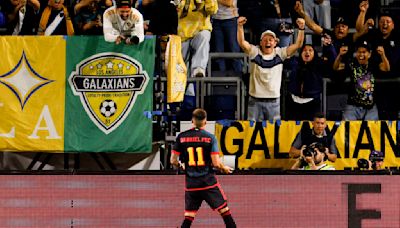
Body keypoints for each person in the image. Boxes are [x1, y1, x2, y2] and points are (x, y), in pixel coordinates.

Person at [170, 108, 236, 228]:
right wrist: (224, 168)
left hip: (191, 184)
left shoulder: (181, 137)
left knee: (189, 216)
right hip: (208, 183)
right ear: (205, 122)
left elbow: (173, 161)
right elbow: (216, 163)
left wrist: (182, 166)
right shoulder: (210, 138)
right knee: (224, 211)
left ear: (192, 120)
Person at [237, 16, 305, 121]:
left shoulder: (280, 53)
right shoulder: (254, 52)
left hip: (274, 100)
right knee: (253, 130)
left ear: (275, 43)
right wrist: (240, 26)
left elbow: (298, 45)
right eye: (265, 40)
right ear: (260, 42)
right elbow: (242, 43)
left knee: (274, 132)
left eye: (270, 40)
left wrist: (301, 29)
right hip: (254, 100)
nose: (268, 42)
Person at [333, 40, 390, 120]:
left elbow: (386, 68)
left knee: (372, 130)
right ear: (356, 54)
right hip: (352, 105)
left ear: (369, 54)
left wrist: (383, 55)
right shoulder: (351, 64)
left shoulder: (373, 64)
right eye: (359, 52)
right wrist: (340, 55)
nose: (361, 54)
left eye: (364, 52)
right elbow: (336, 67)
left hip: (370, 106)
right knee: (346, 129)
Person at [177, 0, 218, 77]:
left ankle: (198, 68)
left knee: (204, 36)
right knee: (181, 71)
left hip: (200, 28)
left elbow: (213, 9)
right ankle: (189, 88)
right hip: (181, 33)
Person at [286, 44, 328, 121]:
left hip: (312, 102)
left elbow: (331, 61)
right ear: (301, 53)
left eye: (310, 50)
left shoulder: (319, 64)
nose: (307, 52)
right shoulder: (295, 62)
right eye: (304, 50)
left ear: (314, 53)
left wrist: (329, 47)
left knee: (309, 129)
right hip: (294, 101)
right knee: (293, 129)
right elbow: (285, 58)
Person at [211, 0, 241, 73]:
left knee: (234, 50)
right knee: (218, 52)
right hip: (216, 20)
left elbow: (229, 3)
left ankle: (238, 77)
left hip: (231, 19)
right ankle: (220, 80)